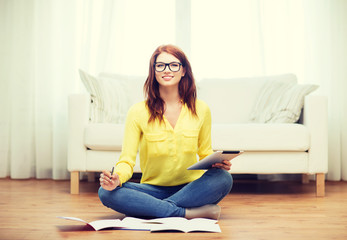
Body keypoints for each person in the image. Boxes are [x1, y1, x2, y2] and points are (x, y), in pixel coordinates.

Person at [98, 44, 233, 220]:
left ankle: (153, 209)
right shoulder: (137, 112)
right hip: (151, 189)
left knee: (224, 178)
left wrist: (217, 163)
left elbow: (205, 153)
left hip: (190, 187)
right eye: (160, 65)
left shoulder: (202, 109)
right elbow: (126, 160)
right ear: (153, 71)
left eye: (174, 65)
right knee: (105, 192)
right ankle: (184, 212)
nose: (167, 70)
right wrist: (116, 178)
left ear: (183, 70)